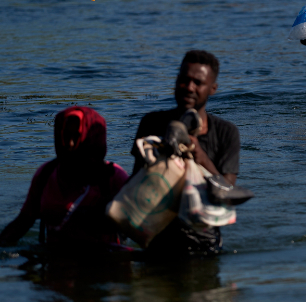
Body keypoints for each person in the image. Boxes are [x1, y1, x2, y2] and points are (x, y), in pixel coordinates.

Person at [131, 50, 239, 256]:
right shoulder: (151, 123)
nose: (189, 87)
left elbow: (228, 193)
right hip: (157, 237)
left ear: (212, 89)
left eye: (198, 83)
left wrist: (201, 156)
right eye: (184, 79)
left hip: (203, 241)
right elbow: (136, 180)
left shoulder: (226, 132)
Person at [0, 107, 129, 250]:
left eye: (77, 136)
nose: (70, 144)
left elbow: (136, 227)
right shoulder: (46, 174)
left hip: (104, 267)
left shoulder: (113, 177)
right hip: (56, 266)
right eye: (66, 136)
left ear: (92, 138)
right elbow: (23, 222)